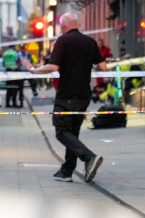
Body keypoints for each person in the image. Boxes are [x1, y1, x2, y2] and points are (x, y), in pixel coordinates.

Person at [32, 13, 108, 183]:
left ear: (64, 26)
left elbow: (53, 66)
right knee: (73, 132)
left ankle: (89, 158)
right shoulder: (90, 42)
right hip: (84, 95)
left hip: (67, 94)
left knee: (61, 132)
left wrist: (35, 71)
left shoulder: (63, 41)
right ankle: (67, 171)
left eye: (60, 26)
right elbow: (103, 67)